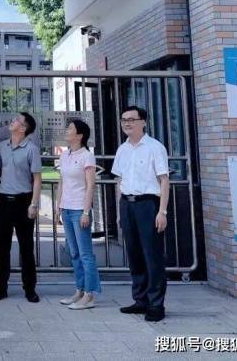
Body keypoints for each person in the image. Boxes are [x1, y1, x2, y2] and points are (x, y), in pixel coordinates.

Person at [112, 105, 170, 322]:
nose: (127, 123)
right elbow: (119, 180)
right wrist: (120, 210)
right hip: (127, 205)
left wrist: (162, 211)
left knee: (152, 255)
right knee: (134, 254)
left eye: (132, 119)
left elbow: (164, 180)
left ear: (143, 122)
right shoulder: (122, 149)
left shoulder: (155, 147)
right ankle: (140, 300)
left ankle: (156, 304)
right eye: (124, 120)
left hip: (148, 205)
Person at [0, 112, 42, 303]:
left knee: (26, 248)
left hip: (24, 201)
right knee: (2, 247)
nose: (12, 121)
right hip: (4, 201)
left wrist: (34, 204)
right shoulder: (2, 146)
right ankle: (1, 287)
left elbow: (37, 179)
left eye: (16, 120)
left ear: (23, 128)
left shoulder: (32, 149)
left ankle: (30, 288)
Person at [56, 119, 102, 310]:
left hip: (79, 210)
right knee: (74, 253)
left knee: (85, 254)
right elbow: (62, 182)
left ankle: (90, 294)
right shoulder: (65, 155)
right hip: (66, 209)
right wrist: (58, 206)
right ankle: (79, 290)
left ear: (80, 135)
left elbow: (90, 185)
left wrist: (85, 212)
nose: (66, 131)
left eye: (70, 129)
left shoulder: (87, 156)